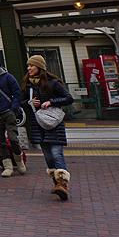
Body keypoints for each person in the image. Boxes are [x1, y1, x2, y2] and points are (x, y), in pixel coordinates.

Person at [20, 55, 74, 200]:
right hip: (38, 124)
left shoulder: (53, 83)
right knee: (48, 157)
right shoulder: (27, 85)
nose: (29, 68)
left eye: (32, 65)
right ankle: (58, 184)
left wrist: (51, 102)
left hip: (54, 123)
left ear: (39, 67)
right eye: (28, 66)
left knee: (56, 153)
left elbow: (68, 98)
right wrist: (29, 102)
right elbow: (20, 102)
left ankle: (62, 185)